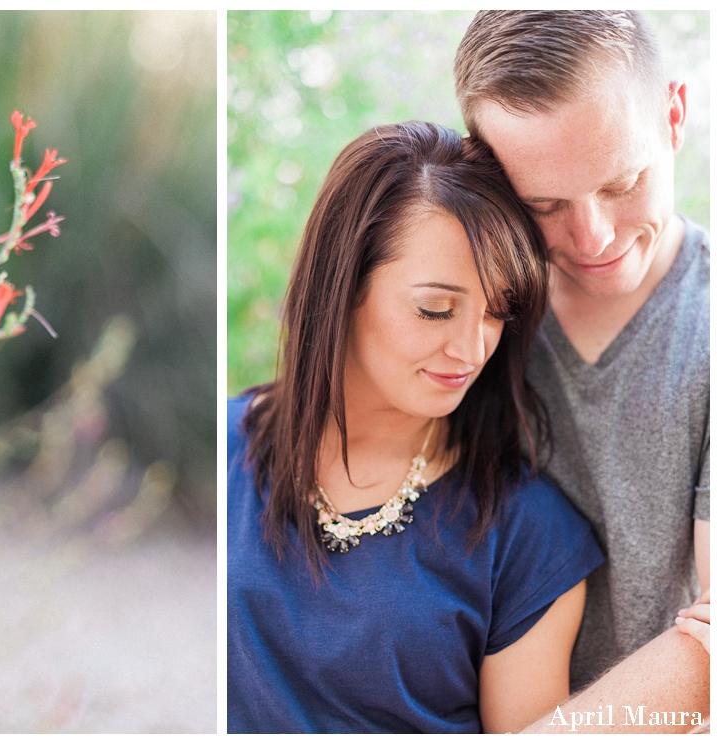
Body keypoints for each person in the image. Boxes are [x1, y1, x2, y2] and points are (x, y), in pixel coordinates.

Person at [227, 121, 604, 733]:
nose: (472, 349)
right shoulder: (224, 448)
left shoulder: (528, 536)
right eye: (436, 309)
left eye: (497, 312)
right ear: (343, 285)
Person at [453, 10, 709, 732]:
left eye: (622, 182)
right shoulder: (468, 317)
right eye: (543, 205)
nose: (592, 237)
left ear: (672, 113)